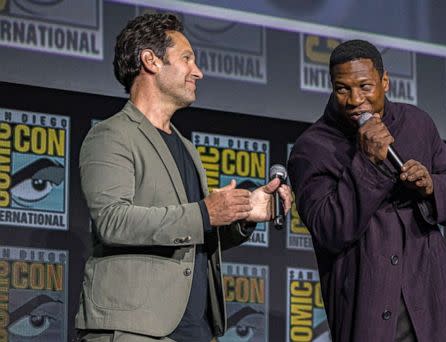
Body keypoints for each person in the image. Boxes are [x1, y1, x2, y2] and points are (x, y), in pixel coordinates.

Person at [75, 13, 291, 342]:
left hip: (196, 330)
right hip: (136, 330)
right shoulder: (111, 135)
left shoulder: (187, 148)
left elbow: (191, 237)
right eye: (187, 59)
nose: (198, 72)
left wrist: (244, 214)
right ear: (150, 60)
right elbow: (113, 221)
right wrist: (205, 213)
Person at [288, 40, 446, 341]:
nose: (354, 99)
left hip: (433, 308)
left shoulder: (416, 122)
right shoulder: (312, 148)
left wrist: (431, 185)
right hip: (371, 313)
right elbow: (330, 228)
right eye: (342, 88)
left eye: (365, 86)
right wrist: (367, 162)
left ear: (384, 82)